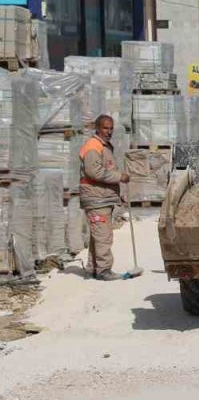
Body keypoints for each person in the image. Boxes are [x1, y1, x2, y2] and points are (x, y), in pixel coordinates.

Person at [79, 114, 130, 280]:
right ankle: (104, 270)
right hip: (95, 198)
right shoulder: (94, 146)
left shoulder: (103, 145)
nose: (108, 132)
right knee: (103, 235)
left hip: (101, 196)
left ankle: (92, 269)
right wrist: (119, 177)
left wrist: (117, 195)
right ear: (97, 128)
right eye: (105, 128)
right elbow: (95, 172)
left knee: (97, 235)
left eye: (111, 128)